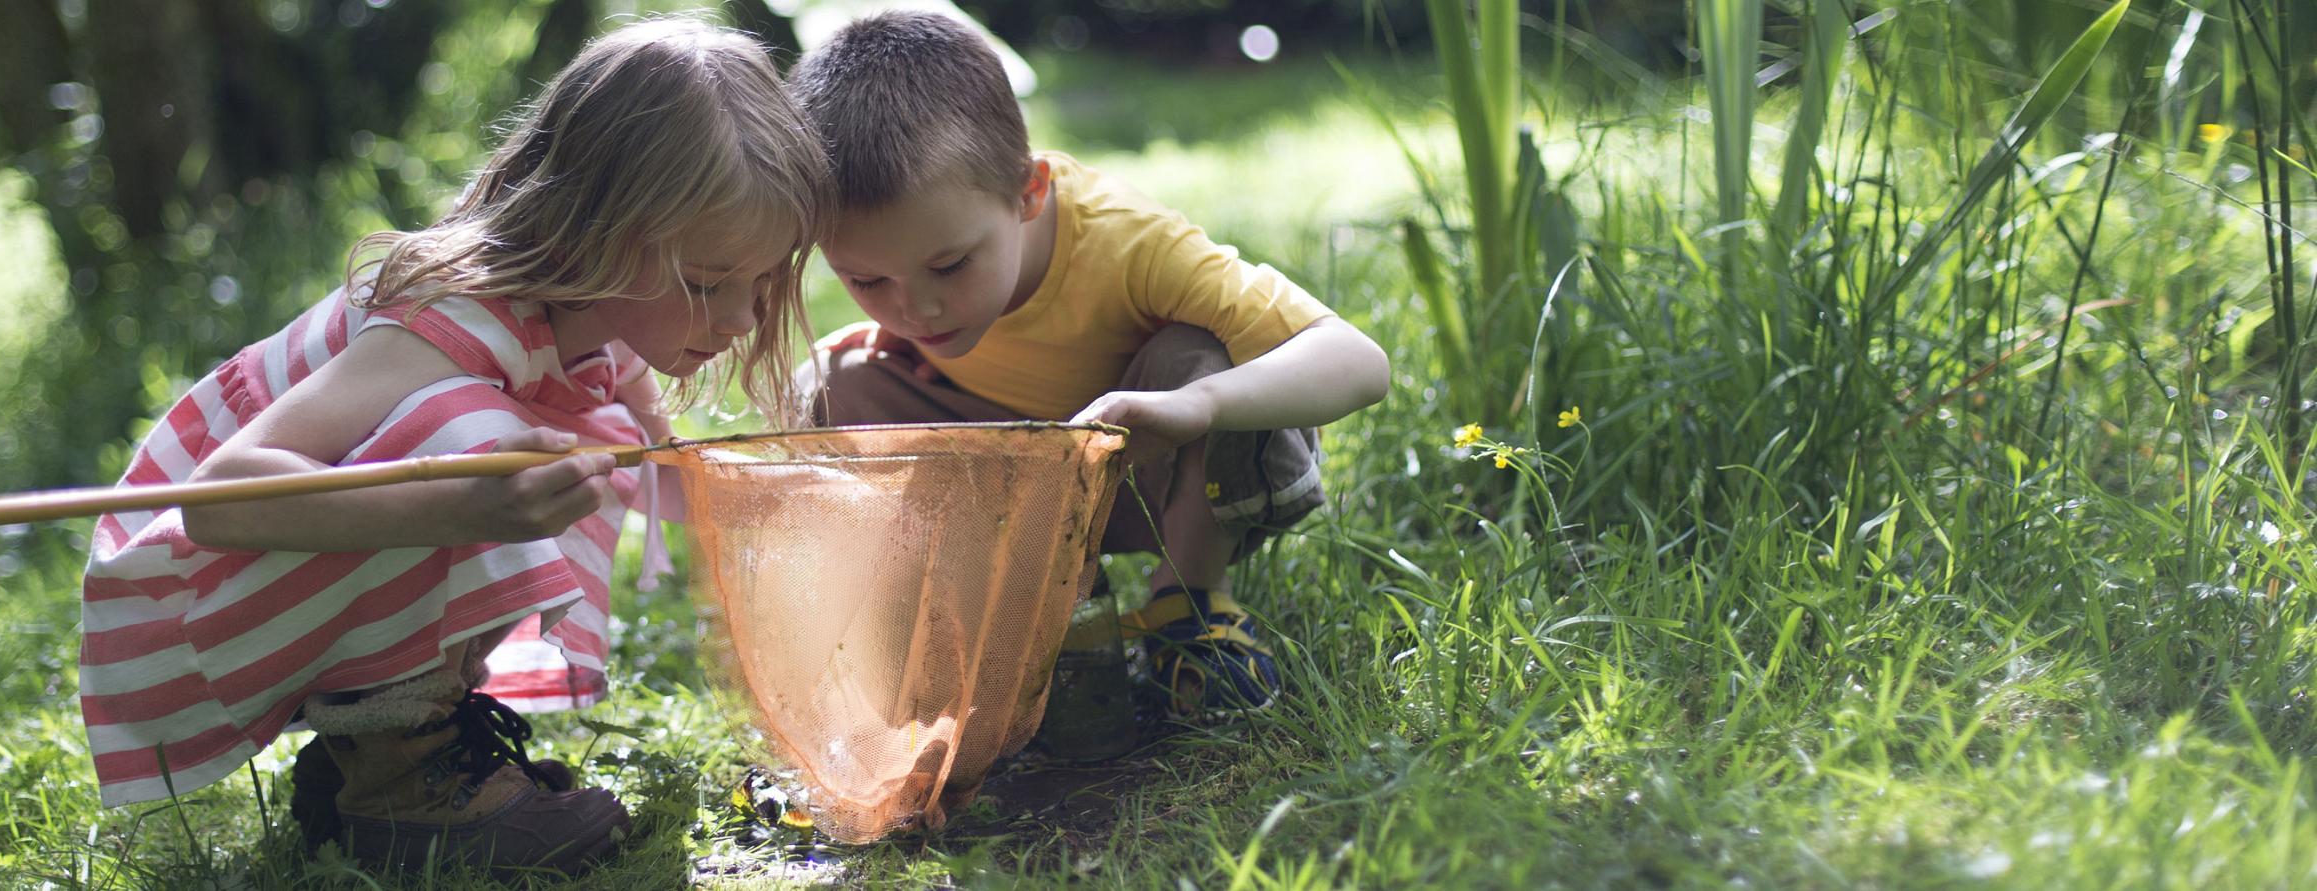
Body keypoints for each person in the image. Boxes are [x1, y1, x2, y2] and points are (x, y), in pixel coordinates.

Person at [77, 19, 829, 877]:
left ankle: (375, 754)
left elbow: (667, 468)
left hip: (267, 588)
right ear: (601, 227)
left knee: (591, 443)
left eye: (761, 284)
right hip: (177, 600)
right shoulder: (452, 324)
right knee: (485, 444)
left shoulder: (601, 318)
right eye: (706, 283)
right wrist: (468, 505)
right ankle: (405, 785)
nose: (738, 321)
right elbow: (222, 498)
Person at [786, 12, 1389, 718]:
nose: (915, 310)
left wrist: (1201, 404)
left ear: (1030, 191)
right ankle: (994, 612)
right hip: (1021, 485)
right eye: (868, 281)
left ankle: (1187, 610)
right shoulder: (922, 284)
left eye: (949, 265)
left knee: (1200, 357)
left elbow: (1360, 361)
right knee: (829, 384)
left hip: (1153, 477)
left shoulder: (1129, 244)